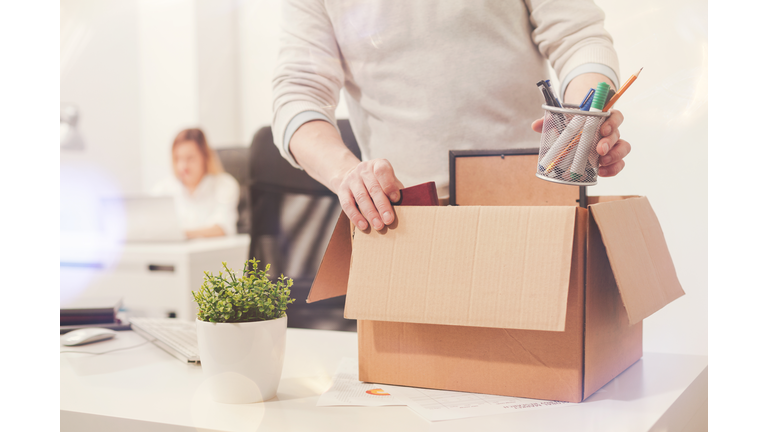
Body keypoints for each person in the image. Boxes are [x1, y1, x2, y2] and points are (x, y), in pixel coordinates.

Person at [272, 0, 631, 232]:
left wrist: (582, 121)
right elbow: (299, 92)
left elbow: (578, 37)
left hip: (531, 208)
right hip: (405, 218)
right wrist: (346, 175)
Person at [151, 128, 239, 238]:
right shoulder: (163, 189)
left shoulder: (225, 185)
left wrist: (180, 235)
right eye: (178, 158)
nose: (183, 166)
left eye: (190, 158)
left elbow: (222, 228)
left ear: (205, 157)